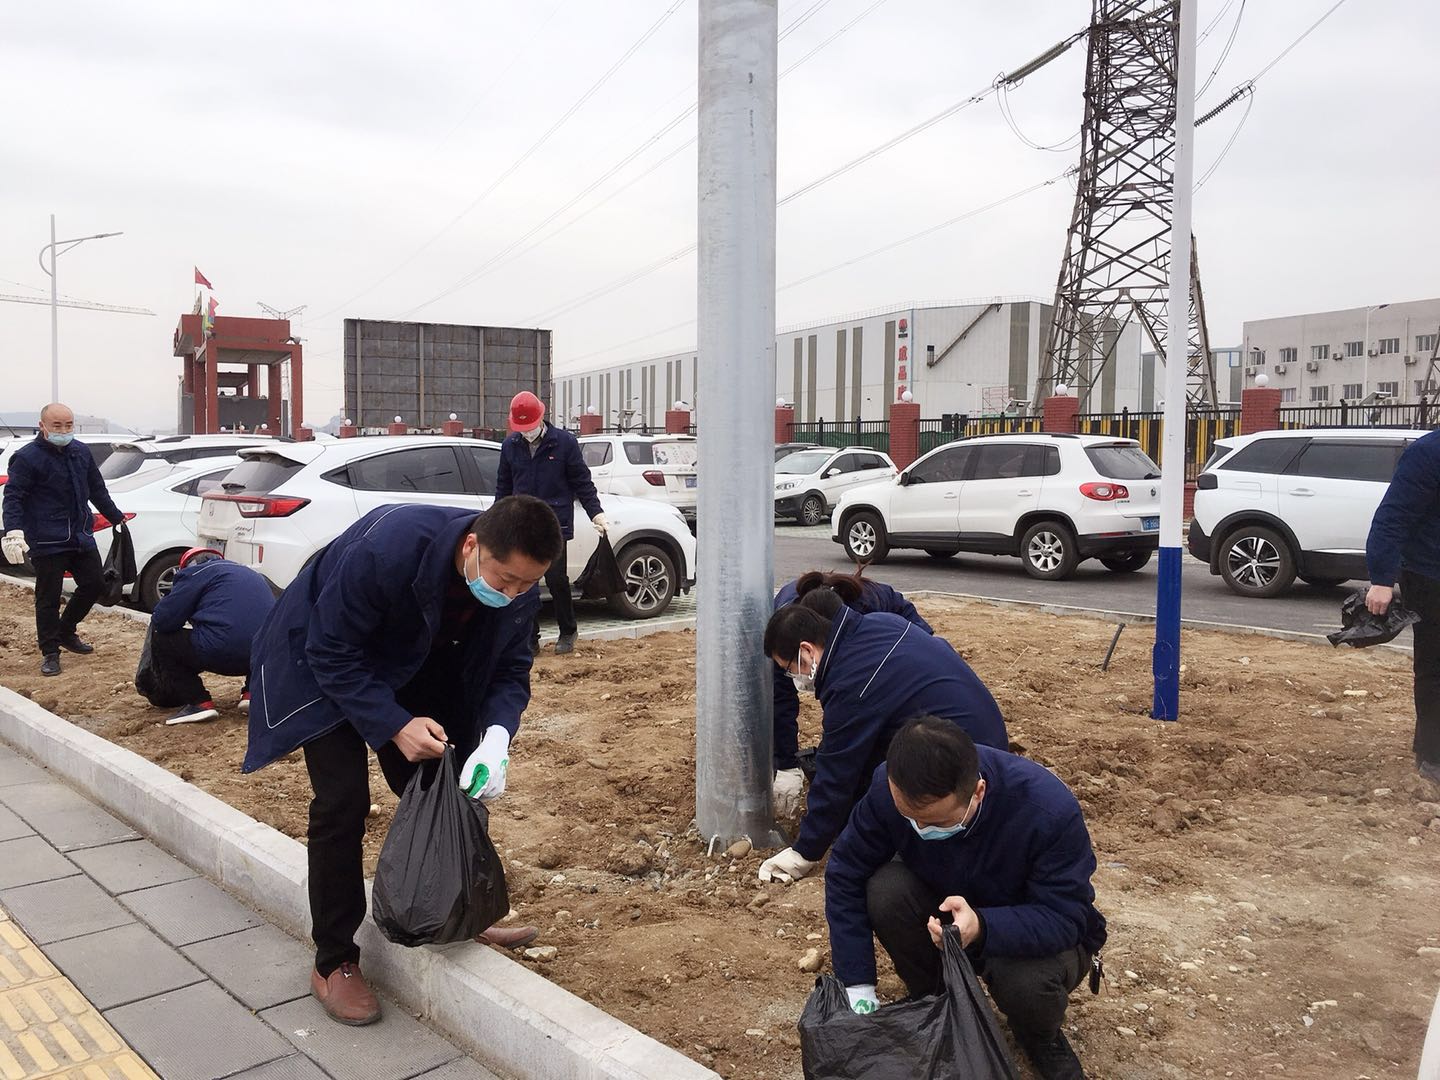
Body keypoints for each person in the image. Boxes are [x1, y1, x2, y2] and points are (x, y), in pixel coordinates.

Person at [243, 496, 564, 1026]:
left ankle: (459, 910)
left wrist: (496, 738)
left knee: (449, 781)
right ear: (471, 545)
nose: (511, 594)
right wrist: (393, 724)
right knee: (343, 802)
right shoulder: (388, 549)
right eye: (505, 579)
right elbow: (331, 650)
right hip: (322, 660)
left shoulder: (518, 587)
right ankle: (334, 961)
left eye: (526, 585)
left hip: (415, 657)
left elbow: (510, 670)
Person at [825, 716, 1106, 1080]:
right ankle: (936, 1002)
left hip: (1030, 931)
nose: (920, 829)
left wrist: (984, 927)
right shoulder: (889, 788)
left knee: (1024, 982)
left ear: (978, 792)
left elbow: (1065, 917)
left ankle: (1039, 1036)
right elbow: (845, 871)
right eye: (909, 818)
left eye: (935, 822)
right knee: (887, 890)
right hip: (948, 913)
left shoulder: (1047, 811)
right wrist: (858, 986)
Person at [756, 600, 1007, 884]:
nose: (794, 679)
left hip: (963, 764)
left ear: (807, 651)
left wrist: (805, 851)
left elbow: (837, 772)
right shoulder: (879, 624)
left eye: (790, 669)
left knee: (886, 798)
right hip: (984, 737)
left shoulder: (852, 681)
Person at [770, 569, 933, 817]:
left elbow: (853, 706)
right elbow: (780, 699)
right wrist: (786, 765)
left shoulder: (870, 612)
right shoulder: (783, 636)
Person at [1, 404, 125, 677]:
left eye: (68, 425)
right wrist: (13, 531)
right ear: (43, 426)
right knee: (48, 597)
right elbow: (13, 497)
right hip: (46, 540)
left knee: (94, 584)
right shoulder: (27, 458)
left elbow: (96, 489)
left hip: (81, 536)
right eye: (57, 425)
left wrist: (115, 516)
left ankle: (65, 630)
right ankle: (50, 652)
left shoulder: (80, 452)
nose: (63, 430)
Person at [495, 391, 606, 655]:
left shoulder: (564, 443)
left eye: (530, 426)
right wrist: (497, 519)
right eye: (522, 428)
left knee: (556, 579)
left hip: (554, 523)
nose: (527, 432)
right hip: (522, 523)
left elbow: (582, 482)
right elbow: (503, 486)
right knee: (525, 583)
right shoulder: (510, 446)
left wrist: (596, 513)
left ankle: (568, 630)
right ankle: (530, 638)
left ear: (541, 418)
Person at [1365, 428, 1440, 785]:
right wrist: (1382, 578)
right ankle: (1433, 756)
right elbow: (1393, 517)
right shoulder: (1429, 453)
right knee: (1435, 668)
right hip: (1431, 576)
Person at [145, 548, 276, 725]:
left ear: (187, 566)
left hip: (221, 650)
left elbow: (163, 620)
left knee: (162, 638)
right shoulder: (251, 574)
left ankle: (199, 702)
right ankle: (253, 693)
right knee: (256, 635)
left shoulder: (195, 573)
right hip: (265, 656)